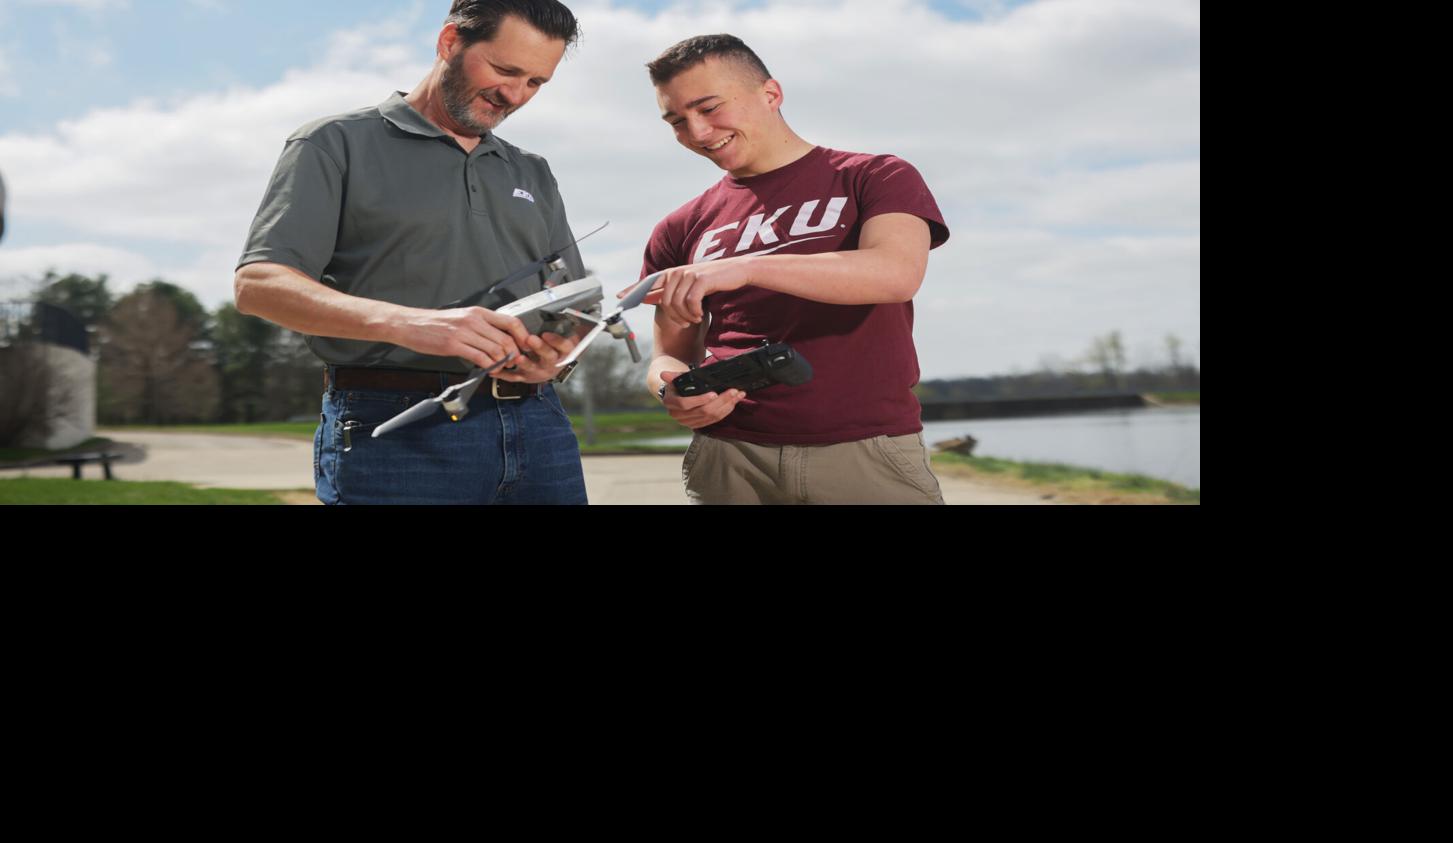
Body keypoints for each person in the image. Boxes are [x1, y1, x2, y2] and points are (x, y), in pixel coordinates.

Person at [234, 0, 590, 505]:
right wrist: (413, 324)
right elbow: (259, 287)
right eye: (505, 69)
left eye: (536, 83)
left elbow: (571, 304)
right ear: (450, 43)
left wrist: (556, 358)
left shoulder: (532, 171)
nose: (515, 94)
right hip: (395, 425)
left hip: (539, 425)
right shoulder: (333, 143)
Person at [629, 34, 951, 505]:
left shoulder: (875, 175)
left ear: (771, 94)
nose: (697, 132)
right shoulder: (679, 227)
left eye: (709, 107)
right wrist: (669, 390)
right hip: (730, 459)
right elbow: (668, 355)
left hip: (864, 455)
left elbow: (895, 274)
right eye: (677, 121)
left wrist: (744, 269)